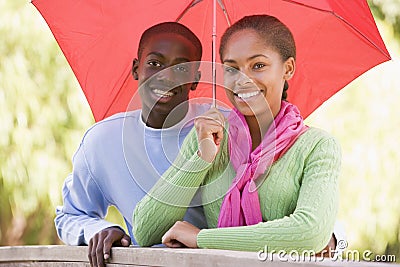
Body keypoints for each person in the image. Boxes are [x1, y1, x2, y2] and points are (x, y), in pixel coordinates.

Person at [133, 15, 342, 255]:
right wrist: (201, 159)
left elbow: (310, 233)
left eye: (258, 66)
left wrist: (201, 238)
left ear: (288, 68)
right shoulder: (209, 134)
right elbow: (145, 229)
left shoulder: (317, 146)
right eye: (232, 69)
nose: (243, 80)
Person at [55, 22, 227, 267]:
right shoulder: (103, 141)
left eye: (180, 68)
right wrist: (100, 230)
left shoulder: (223, 126)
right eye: (155, 64)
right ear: (136, 69)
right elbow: (70, 216)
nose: (166, 77)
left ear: (195, 79)